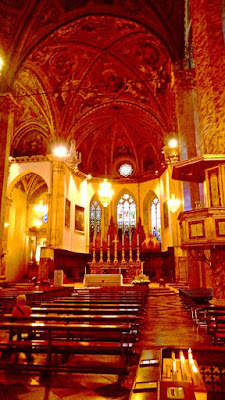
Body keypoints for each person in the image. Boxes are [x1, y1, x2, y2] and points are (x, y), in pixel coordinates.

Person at [11, 294, 34, 362]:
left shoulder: (14, 309)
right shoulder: (28, 308)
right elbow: (31, 318)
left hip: (17, 328)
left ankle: (16, 342)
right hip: (26, 328)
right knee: (31, 330)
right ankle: (29, 344)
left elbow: (12, 318)